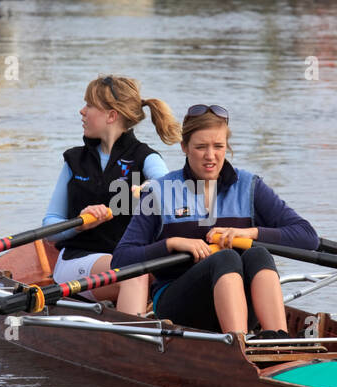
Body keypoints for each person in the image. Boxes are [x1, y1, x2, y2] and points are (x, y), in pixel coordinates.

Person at [111, 104, 317, 337]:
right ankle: (236, 345)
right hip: (179, 304)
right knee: (225, 257)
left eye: (218, 146)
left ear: (226, 147)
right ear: (184, 148)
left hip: (239, 301)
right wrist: (172, 243)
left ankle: (279, 339)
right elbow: (121, 259)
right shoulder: (160, 192)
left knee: (259, 254)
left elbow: (307, 237)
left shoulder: (249, 187)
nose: (211, 156)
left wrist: (251, 234)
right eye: (201, 147)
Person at [43, 74, 180, 315]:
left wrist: (149, 190)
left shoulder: (147, 158)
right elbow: (50, 227)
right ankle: (131, 340)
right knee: (132, 271)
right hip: (77, 260)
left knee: (142, 268)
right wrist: (79, 226)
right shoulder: (74, 160)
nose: (81, 111)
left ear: (111, 115)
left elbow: (171, 192)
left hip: (130, 261)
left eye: (89, 105)